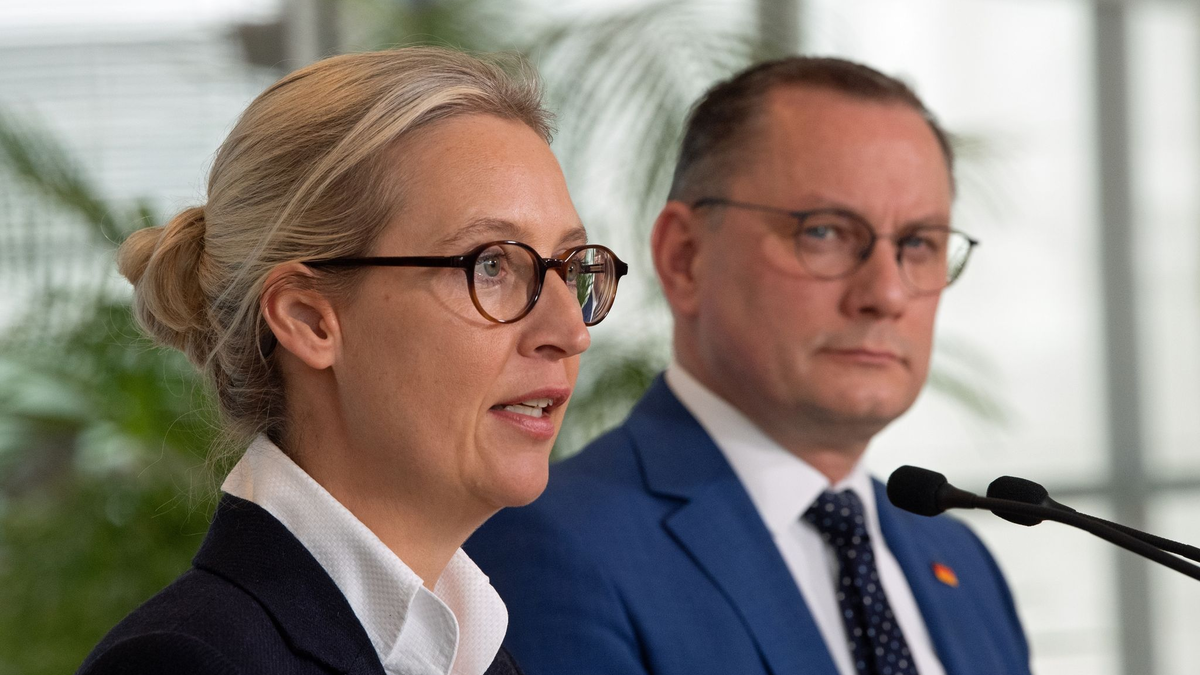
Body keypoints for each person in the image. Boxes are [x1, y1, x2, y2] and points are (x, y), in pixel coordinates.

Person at [467, 57, 1031, 675]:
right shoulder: (552, 548)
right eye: (825, 232)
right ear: (685, 258)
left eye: (919, 244)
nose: (887, 294)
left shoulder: (961, 562)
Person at [77, 46, 627, 675]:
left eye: (569, 266)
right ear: (309, 321)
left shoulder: (475, 655)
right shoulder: (186, 663)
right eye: (492, 264)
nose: (569, 331)